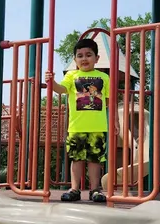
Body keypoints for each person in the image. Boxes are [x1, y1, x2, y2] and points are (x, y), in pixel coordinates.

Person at [45, 37, 119, 203]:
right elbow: (61, 90)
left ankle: (95, 189)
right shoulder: (72, 76)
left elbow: (110, 101)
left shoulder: (103, 77)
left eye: (88, 54)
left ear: (96, 58)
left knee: (95, 160)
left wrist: (115, 121)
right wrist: (51, 81)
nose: (84, 58)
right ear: (75, 59)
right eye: (80, 55)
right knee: (77, 159)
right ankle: (74, 188)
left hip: (97, 126)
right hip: (76, 127)